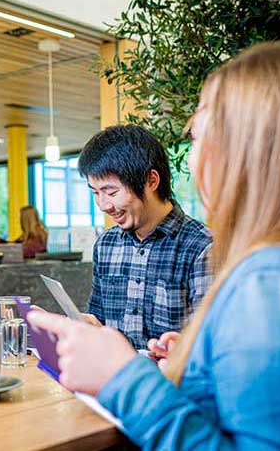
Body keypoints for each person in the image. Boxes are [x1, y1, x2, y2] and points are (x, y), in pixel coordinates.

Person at [27, 41, 280, 450]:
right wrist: (199, 359)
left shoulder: (269, 284)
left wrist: (122, 378)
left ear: (251, 152)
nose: (192, 160)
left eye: (196, 139)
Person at [77, 124, 212, 349]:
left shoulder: (201, 247)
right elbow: (98, 317)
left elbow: (208, 344)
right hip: (112, 379)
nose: (103, 205)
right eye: (95, 193)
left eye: (111, 192)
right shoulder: (106, 244)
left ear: (151, 181)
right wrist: (88, 326)